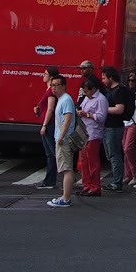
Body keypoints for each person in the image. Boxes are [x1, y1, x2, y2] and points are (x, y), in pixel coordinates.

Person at [47, 75, 79, 208]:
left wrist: (61, 136)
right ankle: (65, 196)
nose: (54, 88)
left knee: (66, 169)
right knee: (65, 168)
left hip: (63, 140)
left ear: (64, 86)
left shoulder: (65, 100)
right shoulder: (61, 99)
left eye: (57, 85)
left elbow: (67, 120)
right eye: (52, 85)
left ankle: (65, 199)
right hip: (62, 138)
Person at [100, 66, 134, 191]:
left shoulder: (118, 91)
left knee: (114, 155)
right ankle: (116, 180)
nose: (103, 80)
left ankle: (116, 182)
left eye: (104, 78)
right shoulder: (112, 91)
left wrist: (102, 109)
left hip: (114, 127)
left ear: (111, 77)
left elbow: (119, 109)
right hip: (109, 126)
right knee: (111, 154)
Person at [76, 76, 109, 197]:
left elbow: (101, 117)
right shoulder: (86, 98)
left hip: (93, 133)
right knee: (83, 161)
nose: (86, 94)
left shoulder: (101, 99)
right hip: (84, 132)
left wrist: (87, 114)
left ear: (94, 89)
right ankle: (87, 185)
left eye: (87, 91)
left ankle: (95, 186)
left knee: (92, 161)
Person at [35, 67, 63, 189]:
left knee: (53, 153)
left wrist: (45, 125)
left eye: (45, 74)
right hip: (47, 123)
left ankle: (62, 178)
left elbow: (51, 109)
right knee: (50, 154)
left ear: (51, 77)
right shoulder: (48, 90)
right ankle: (50, 180)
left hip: (49, 124)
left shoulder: (51, 91)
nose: (43, 75)